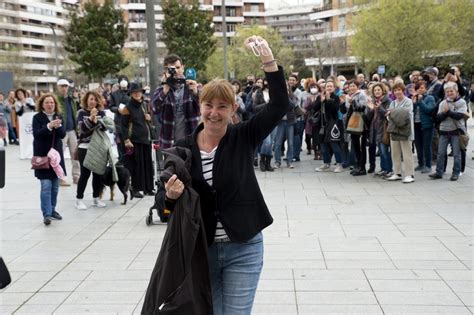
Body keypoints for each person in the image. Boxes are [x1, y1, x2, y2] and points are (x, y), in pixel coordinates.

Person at [158, 35, 289, 315]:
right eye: (209, 105)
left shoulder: (243, 137)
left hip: (243, 247)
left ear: (232, 110)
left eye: (222, 107)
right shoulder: (184, 150)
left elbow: (279, 106)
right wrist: (170, 196)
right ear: (200, 107)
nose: (214, 113)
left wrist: (268, 60)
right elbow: (164, 210)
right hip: (201, 253)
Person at [151, 54, 200, 149]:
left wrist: (195, 94)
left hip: (190, 140)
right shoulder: (162, 89)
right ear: (166, 71)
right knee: (171, 164)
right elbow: (154, 109)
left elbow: (200, 110)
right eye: (172, 69)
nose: (176, 71)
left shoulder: (191, 86)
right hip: (169, 142)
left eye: (178, 67)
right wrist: (165, 90)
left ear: (183, 67)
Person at [32, 94, 66, 225]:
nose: (50, 104)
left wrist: (58, 127)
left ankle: (52, 210)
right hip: (42, 157)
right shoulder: (37, 118)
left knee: (55, 187)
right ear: (42, 104)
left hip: (56, 157)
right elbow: (37, 135)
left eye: (52, 102)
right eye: (47, 102)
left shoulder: (59, 116)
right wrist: (48, 126)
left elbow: (62, 135)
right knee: (46, 186)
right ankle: (46, 214)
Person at [75, 91, 108, 210]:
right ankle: (79, 199)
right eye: (90, 99)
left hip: (98, 147)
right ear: (86, 100)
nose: (93, 101)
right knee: (85, 174)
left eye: (95, 99)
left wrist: (99, 120)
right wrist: (91, 119)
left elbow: (105, 128)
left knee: (98, 173)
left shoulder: (102, 112)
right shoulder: (81, 113)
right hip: (85, 147)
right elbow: (81, 130)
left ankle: (96, 198)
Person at [121, 82, 154, 198]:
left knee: (147, 164)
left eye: (139, 92)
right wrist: (126, 140)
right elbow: (123, 126)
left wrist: (149, 117)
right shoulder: (127, 108)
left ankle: (148, 188)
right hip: (134, 140)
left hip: (145, 139)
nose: (137, 94)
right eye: (135, 92)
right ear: (131, 94)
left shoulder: (144, 105)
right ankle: (135, 188)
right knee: (136, 165)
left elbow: (148, 120)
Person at [429, 82, 468, 181]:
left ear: (456, 91)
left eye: (451, 91)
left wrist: (448, 112)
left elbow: (459, 116)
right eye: (447, 91)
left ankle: (456, 172)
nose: (449, 93)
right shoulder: (442, 103)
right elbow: (438, 118)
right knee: (441, 153)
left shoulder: (462, 102)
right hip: (443, 132)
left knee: (456, 154)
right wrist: (446, 113)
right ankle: (439, 172)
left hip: (456, 132)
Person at [386, 82, 415, 183]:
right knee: (395, 152)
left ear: (403, 91)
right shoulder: (393, 102)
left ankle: (409, 174)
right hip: (394, 130)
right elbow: (388, 116)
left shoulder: (408, 101)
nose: (397, 92)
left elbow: (405, 114)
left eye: (399, 90)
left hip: (405, 130)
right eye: (395, 90)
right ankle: (397, 172)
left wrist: (392, 112)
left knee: (407, 153)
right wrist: (392, 113)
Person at [313, 80, 344, 173]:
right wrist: (321, 101)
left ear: (334, 88)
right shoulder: (320, 96)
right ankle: (326, 163)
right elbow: (314, 108)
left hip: (333, 124)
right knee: (323, 145)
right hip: (321, 125)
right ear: (325, 88)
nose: (329, 88)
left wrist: (328, 100)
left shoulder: (336, 97)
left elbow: (334, 109)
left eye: (331, 86)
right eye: (327, 86)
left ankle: (339, 164)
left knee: (334, 144)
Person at [56, 79, 80, 186]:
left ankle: (76, 176)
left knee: (75, 155)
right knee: (58, 155)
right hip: (61, 131)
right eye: (62, 86)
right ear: (58, 87)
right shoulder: (56, 100)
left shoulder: (72, 100)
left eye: (66, 86)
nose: (64, 88)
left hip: (72, 131)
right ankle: (60, 177)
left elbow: (75, 115)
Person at [343, 80, 368, 176]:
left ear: (357, 86)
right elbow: (346, 110)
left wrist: (353, 101)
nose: (352, 88)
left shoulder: (361, 94)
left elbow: (362, 107)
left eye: (354, 86)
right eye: (350, 86)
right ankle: (357, 165)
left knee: (361, 146)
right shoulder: (349, 96)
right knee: (355, 145)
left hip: (360, 123)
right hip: (352, 123)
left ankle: (362, 167)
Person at [366, 82, 392, 177]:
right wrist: (372, 109)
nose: (377, 92)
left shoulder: (387, 101)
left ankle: (389, 169)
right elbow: (368, 117)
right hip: (375, 128)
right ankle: (383, 169)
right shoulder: (372, 101)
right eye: (375, 90)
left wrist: (378, 108)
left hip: (384, 128)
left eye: (378, 90)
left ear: (383, 90)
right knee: (380, 151)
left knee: (385, 150)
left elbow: (387, 114)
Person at [412, 81, 436, 173]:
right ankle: (421, 163)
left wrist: (420, 101)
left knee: (426, 146)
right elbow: (411, 112)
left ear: (425, 89)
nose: (420, 90)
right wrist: (413, 103)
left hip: (427, 125)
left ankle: (428, 165)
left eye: (422, 88)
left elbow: (429, 110)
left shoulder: (430, 98)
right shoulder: (414, 98)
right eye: (418, 88)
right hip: (416, 124)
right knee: (418, 145)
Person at [109, 76, 130, 163]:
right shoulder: (115, 94)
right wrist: (117, 109)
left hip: (130, 122)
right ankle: (122, 163)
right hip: (119, 122)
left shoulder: (131, 92)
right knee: (121, 145)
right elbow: (111, 106)